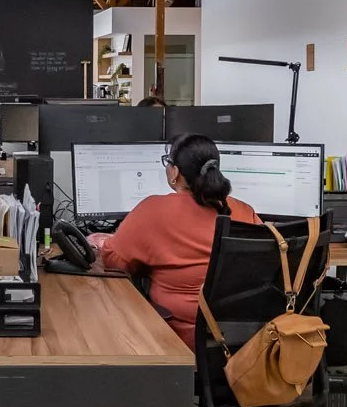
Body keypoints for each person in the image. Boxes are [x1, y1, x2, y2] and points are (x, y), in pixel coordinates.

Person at [97, 134, 260, 347]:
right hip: (244, 342)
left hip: (176, 340)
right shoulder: (244, 211)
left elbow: (115, 262)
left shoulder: (153, 211)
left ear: (174, 172)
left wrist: (105, 243)